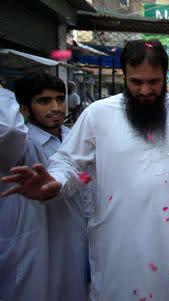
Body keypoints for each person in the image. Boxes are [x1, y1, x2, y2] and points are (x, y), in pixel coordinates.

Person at [2, 39, 169, 301]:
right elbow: (70, 163)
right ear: (124, 76)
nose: (145, 90)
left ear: (165, 76)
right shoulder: (97, 114)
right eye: (136, 82)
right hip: (120, 244)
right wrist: (54, 183)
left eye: (153, 81)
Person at [0, 72, 89, 300]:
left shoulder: (73, 137)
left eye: (60, 99)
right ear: (24, 109)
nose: (56, 107)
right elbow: (9, 129)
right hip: (36, 242)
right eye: (44, 101)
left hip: (77, 237)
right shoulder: (22, 145)